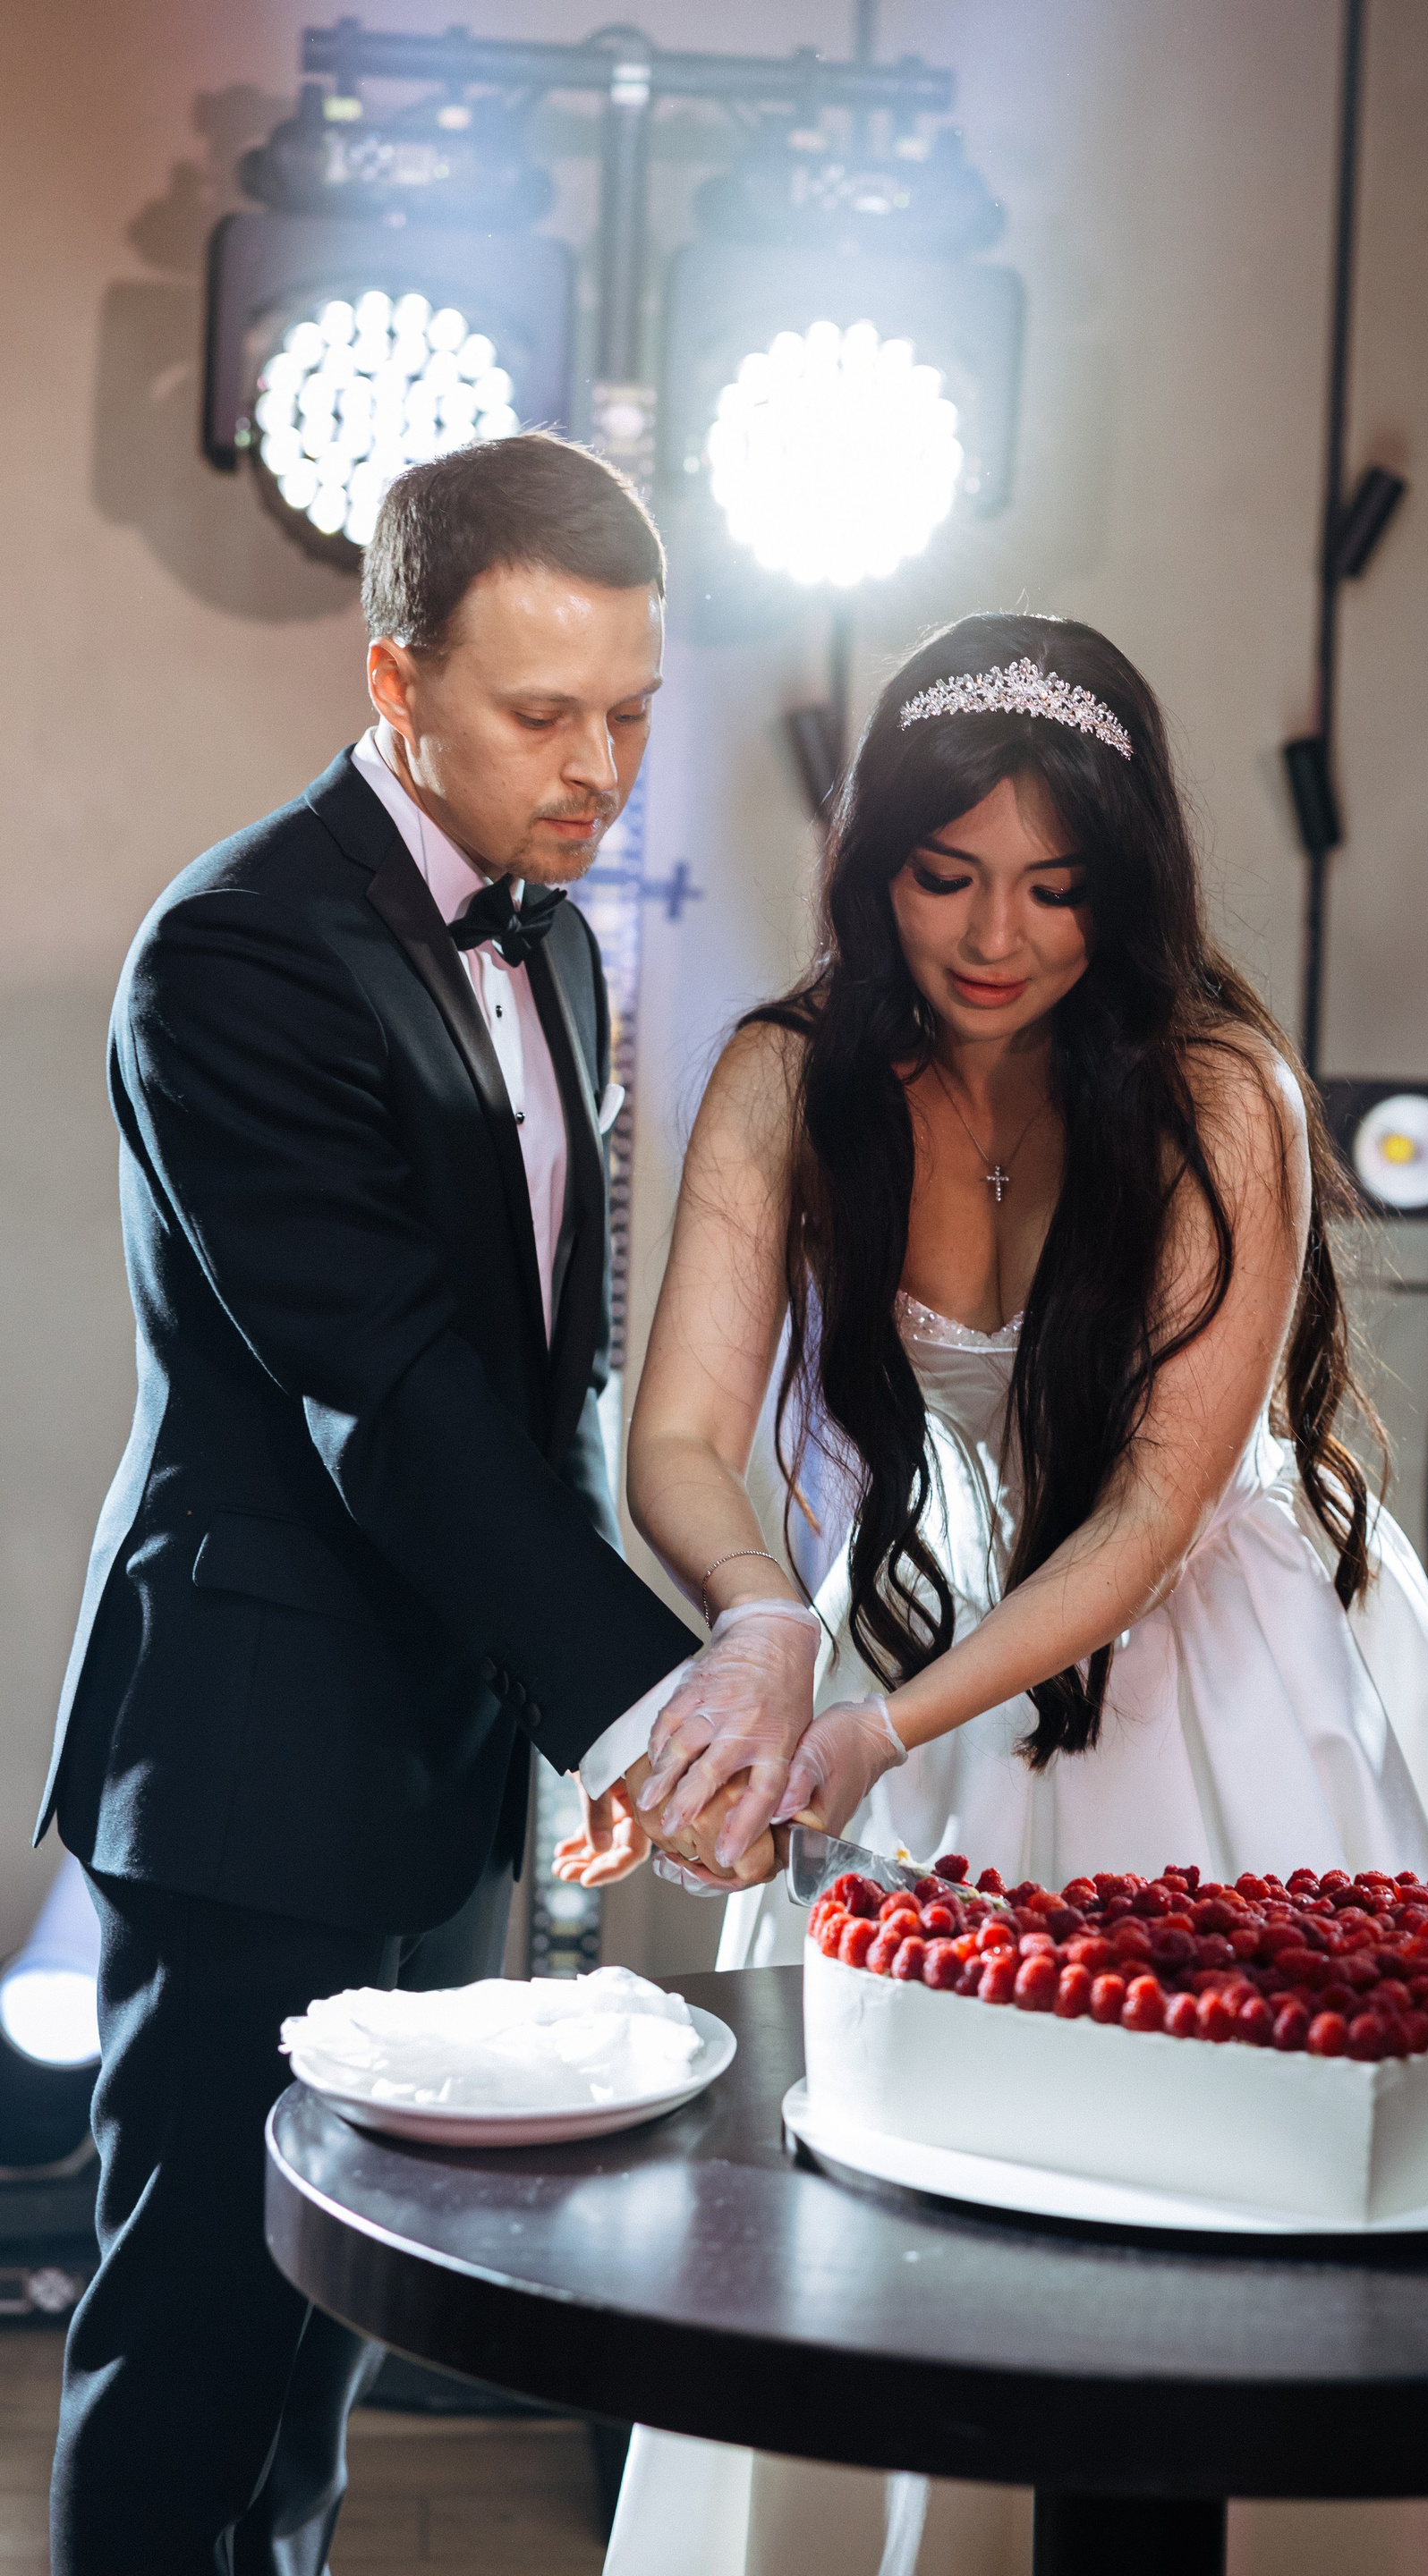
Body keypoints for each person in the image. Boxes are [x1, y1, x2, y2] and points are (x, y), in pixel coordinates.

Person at [563, 612, 1428, 2576]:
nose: (995, 937)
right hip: (923, 1602)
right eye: (945, 876)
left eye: (1054, 887)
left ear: (1127, 883)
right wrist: (768, 1619)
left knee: (1244, 2216)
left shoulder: (1219, 1089)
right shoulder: (788, 1076)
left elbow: (1153, 1518)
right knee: (902, 2235)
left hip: (1219, 1644)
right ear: (875, 864)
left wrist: (880, 1727)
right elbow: (674, 1434)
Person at [38, 432, 792, 2576]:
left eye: (633, 711)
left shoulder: (558, 945)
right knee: (197, 2344)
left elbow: (542, 1389)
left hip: (444, 1750)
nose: (600, 770)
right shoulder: (237, 951)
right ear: (393, 682)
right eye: (544, 715)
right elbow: (384, 1389)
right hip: (250, 1746)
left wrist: (565, 1714)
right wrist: (650, 1707)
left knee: (323, 2351)